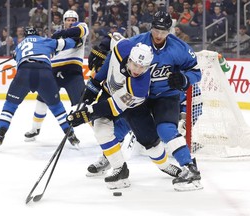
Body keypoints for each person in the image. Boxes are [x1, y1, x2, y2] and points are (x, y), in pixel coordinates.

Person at [86, 11, 204, 191]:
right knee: (120, 127)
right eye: (156, 30)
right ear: (151, 28)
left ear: (169, 31)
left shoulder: (179, 48)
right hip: (138, 95)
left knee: (165, 129)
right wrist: (102, 51)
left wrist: (184, 79)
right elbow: (115, 49)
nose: (159, 35)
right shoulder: (137, 43)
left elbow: (196, 72)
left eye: (163, 32)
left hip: (166, 96)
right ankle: (110, 159)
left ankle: (190, 168)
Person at [67, 33, 182, 189]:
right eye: (135, 64)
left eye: (143, 67)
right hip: (109, 93)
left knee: (150, 142)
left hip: (133, 106)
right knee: (101, 129)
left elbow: (112, 106)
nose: (137, 70)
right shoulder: (122, 47)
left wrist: (86, 113)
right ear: (130, 59)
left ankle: (164, 165)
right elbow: (111, 37)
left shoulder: (139, 87)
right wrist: (93, 86)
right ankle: (120, 169)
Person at [0, 27, 79, 148]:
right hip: (44, 73)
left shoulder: (19, 46)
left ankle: (0, 134)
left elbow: (16, 56)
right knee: (57, 107)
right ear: (38, 34)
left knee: (10, 106)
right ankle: (71, 135)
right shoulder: (45, 40)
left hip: (24, 73)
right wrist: (76, 40)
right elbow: (66, 43)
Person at [24, 10, 89, 146]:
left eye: (73, 20)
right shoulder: (55, 39)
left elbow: (76, 31)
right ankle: (35, 129)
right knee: (41, 100)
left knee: (84, 104)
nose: (70, 22)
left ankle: (104, 133)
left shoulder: (82, 28)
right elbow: (44, 53)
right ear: (64, 21)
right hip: (53, 71)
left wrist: (59, 34)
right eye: (68, 20)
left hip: (72, 71)